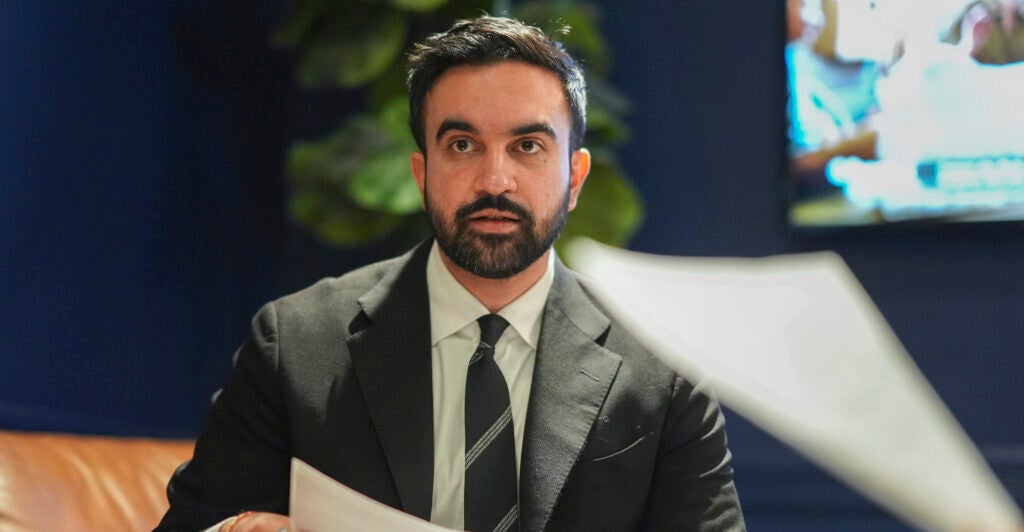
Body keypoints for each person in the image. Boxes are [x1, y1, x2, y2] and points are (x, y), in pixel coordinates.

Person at [156, 15, 745, 532]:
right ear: (421, 172)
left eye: (529, 147)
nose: (495, 181)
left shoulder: (662, 363)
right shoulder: (296, 345)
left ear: (577, 178)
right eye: (463, 145)